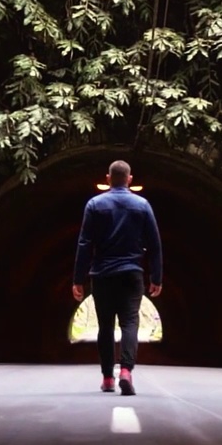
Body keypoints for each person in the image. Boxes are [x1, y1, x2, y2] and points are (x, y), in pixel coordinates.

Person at [72, 160, 163, 396]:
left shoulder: (94, 205)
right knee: (130, 323)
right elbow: (154, 244)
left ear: (108, 178)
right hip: (132, 273)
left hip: (102, 274)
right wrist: (156, 277)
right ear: (129, 179)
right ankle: (126, 371)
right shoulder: (142, 205)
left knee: (105, 325)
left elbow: (84, 243)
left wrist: (77, 278)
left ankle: (107, 378)